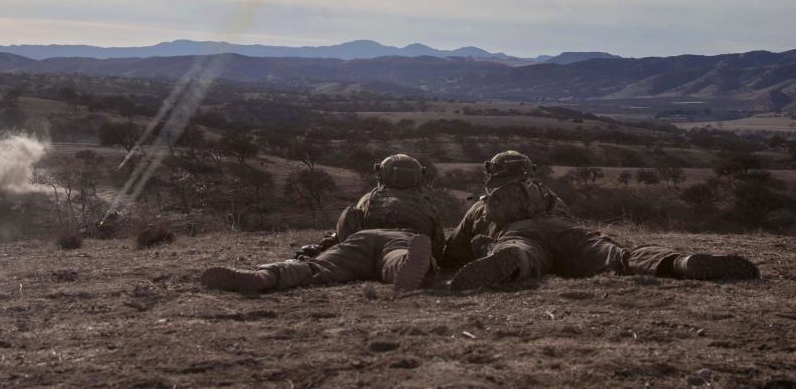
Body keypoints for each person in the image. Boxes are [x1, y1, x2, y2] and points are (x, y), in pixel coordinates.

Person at [444, 150, 760, 290]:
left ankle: (508, 260)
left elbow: (455, 251)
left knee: (523, 256)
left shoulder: (482, 206)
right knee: (618, 256)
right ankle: (679, 263)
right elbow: (566, 219)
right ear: (529, 170)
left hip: (519, 235)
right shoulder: (546, 194)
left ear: (491, 173)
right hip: (566, 231)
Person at [201, 154, 444, 293]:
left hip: (360, 240)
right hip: (401, 239)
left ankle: (265, 276)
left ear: (384, 174)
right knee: (396, 261)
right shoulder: (427, 205)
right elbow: (440, 245)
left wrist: (322, 246)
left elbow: (345, 227)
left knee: (317, 267)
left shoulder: (370, 198)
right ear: (417, 176)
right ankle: (404, 267)